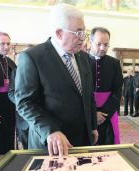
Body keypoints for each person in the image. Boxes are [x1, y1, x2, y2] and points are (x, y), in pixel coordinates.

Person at [14, 4, 98, 156]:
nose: (83, 38)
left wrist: (92, 125)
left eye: (84, 32)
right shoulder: (32, 57)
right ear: (59, 33)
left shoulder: (83, 57)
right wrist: (50, 130)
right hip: (52, 143)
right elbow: (25, 103)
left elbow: (88, 94)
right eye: (78, 32)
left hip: (83, 138)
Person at [88, 27, 123, 145]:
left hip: (108, 113)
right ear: (90, 41)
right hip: (86, 114)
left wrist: (104, 113)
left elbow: (117, 91)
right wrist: (93, 115)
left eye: (106, 45)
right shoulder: (81, 60)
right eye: (98, 44)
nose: (102, 48)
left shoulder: (114, 63)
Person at [8, 45, 34, 149]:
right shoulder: (15, 71)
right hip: (23, 118)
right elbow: (11, 93)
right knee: (26, 149)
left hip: (42, 119)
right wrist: (24, 103)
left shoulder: (44, 71)